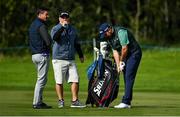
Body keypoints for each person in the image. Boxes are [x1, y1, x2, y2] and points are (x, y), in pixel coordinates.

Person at [98, 23, 142, 108]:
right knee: (126, 76)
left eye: (105, 33)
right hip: (125, 54)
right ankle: (127, 102)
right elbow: (115, 51)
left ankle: (126, 102)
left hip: (134, 53)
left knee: (129, 76)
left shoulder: (121, 32)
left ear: (109, 29)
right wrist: (118, 65)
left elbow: (124, 48)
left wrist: (121, 61)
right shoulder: (109, 38)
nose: (105, 36)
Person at [51, 11, 86, 108]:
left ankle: (74, 101)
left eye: (66, 17)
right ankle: (61, 100)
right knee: (59, 81)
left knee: (75, 79)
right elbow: (55, 38)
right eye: (63, 17)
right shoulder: (55, 28)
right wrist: (63, 27)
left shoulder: (73, 29)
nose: (64, 19)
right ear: (59, 19)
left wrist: (81, 55)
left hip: (71, 59)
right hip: (58, 59)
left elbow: (76, 43)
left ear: (69, 18)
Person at [28, 7, 52, 109]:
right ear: (40, 14)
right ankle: (36, 103)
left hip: (34, 55)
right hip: (42, 54)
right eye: (46, 14)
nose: (47, 16)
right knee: (41, 80)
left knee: (41, 79)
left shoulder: (32, 25)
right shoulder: (41, 25)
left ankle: (39, 101)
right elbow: (48, 41)